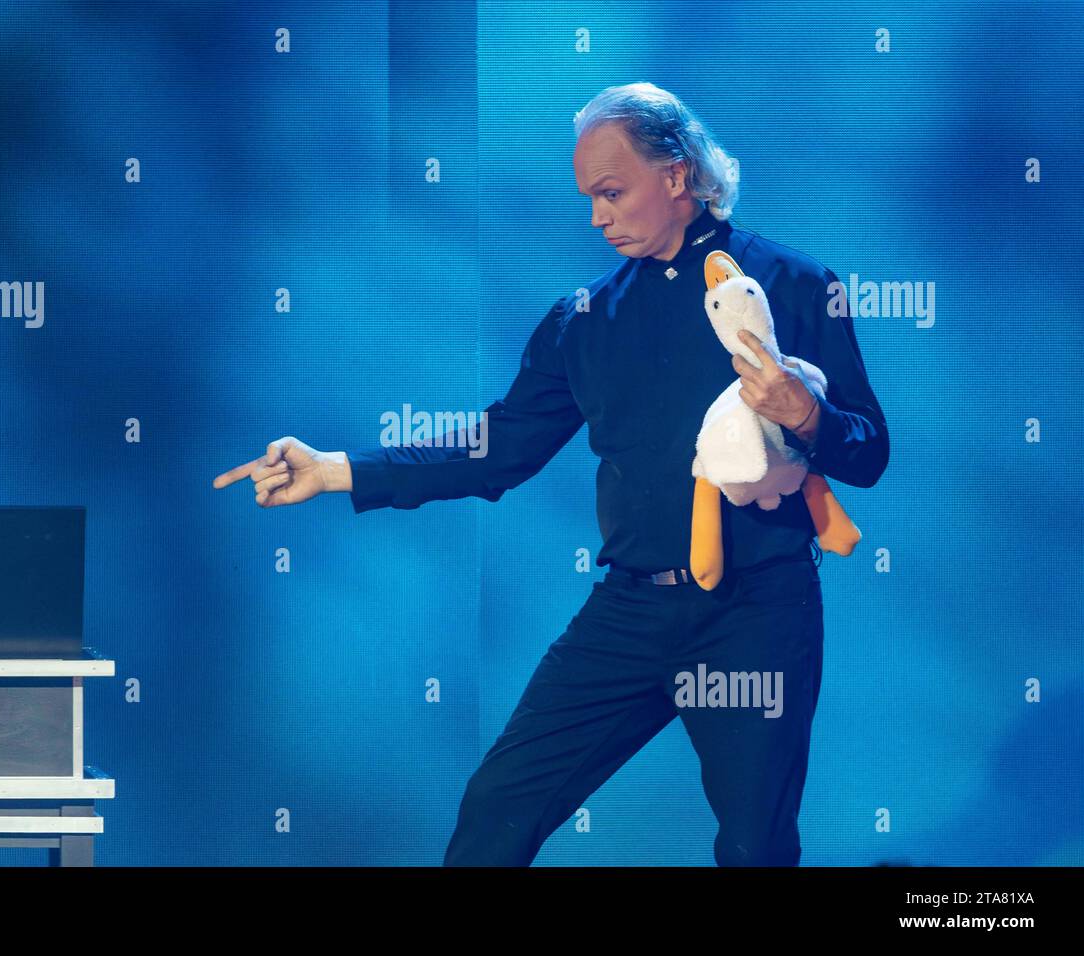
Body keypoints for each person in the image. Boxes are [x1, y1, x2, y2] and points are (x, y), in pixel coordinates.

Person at [213, 82, 888, 866]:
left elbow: (868, 452)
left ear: (676, 176)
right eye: (589, 199)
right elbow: (499, 449)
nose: (596, 217)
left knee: (753, 847)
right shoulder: (583, 320)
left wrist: (804, 413)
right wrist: (338, 471)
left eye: (611, 192)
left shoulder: (800, 285)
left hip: (759, 613)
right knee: (498, 807)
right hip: (632, 613)